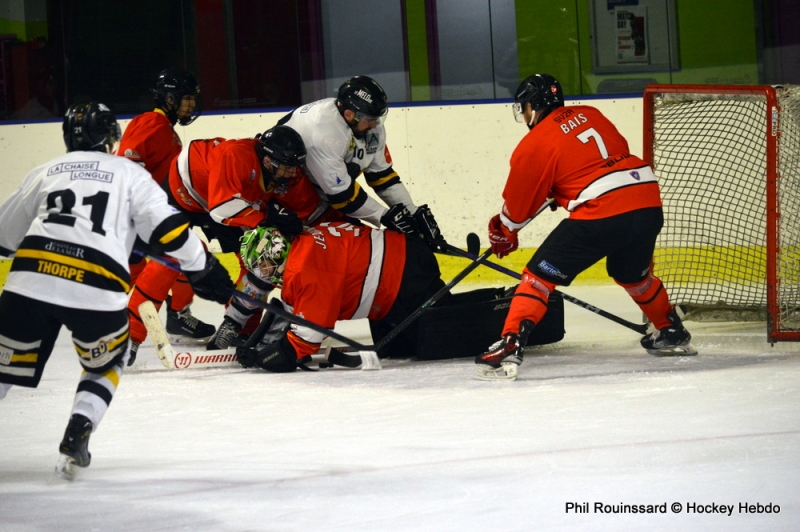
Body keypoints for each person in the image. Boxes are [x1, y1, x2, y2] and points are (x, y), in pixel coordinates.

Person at [0, 102, 234, 479]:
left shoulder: (45, 172)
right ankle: (79, 428)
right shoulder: (129, 173)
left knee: (3, 372)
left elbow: (4, 238)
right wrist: (202, 269)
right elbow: (170, 229)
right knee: (109, 360)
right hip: (94, 285)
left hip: (30, 281)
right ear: (112, 139)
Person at [475, 74, 696, 381]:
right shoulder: (591, 114)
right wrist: (563, 188)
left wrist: (503, 230)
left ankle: (510, 343)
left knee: (538, 276)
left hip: (603, 210)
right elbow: (602, 160)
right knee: (632, 273)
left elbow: (517, 208)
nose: (524, 116)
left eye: (524, 108)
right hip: (646, 199)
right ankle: (670, 329)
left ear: (533, 106)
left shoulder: (534, 143)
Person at [128, 125, 339, 352]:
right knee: (172, 258)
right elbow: (221, 209)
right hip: (183, 193)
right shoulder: (236, 155)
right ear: (268, 162)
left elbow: (316, 212)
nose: (293, 174)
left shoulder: (286, 177)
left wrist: (346, 231)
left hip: (231, 201)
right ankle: (130, 337)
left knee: (259, 260)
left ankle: (241, 329)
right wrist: (269, 215)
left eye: (295, 167)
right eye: (287, 168)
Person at [233, 222, 447, 372]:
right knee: (399, 348)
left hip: (405, 278)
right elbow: (295, 315)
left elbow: (305, 341)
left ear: (275, 254)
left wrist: (267, 358)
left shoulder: (304, 269)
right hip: (406, 257)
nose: (263, 273)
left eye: (263, 266)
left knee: (438, 338)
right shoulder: (303, 244)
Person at [278, 75, 446, 249]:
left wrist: (412, 212)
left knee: (362, 250)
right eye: (369, 119)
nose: (375, 125)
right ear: (350, 115)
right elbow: (342, 196)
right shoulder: (323, 132)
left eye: (377, 118)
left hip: (321, 196)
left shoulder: (370, 126)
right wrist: (386, 216)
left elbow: (383, 177)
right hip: (287, 200)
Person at [118, 68, 213, 362]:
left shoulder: (165, 129)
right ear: (169, 98)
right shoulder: (152, 123)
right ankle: (126, 338)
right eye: (186, 99)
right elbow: (128, 164)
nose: (191, 105)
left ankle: (177, 317)